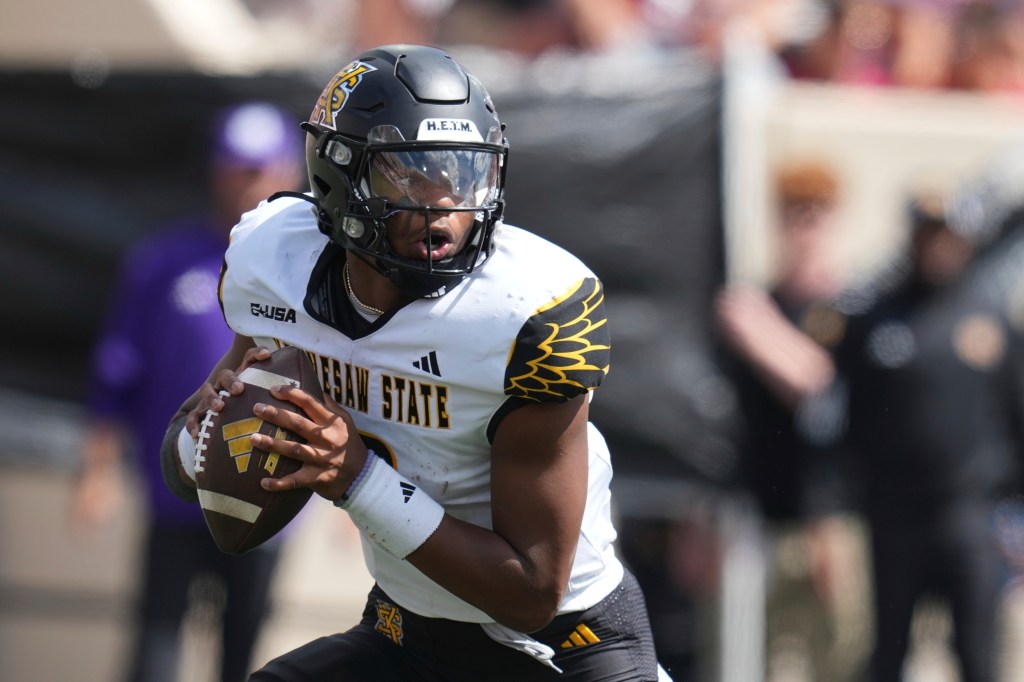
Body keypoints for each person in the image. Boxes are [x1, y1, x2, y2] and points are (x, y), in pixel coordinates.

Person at [159, 44, 668, 681]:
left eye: (464, 174)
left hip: (562, 648)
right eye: (411, 175)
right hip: (406, 633)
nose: (446, 204)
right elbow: (184, 463)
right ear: (340, 175)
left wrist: (354, 477)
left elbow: (532, 590)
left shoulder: (523, 312)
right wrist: (208, 437)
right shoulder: (274, 264)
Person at [72, 101, 304, 682]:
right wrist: (98, 469)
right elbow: (117, 371)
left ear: (288, 172)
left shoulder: (308, 273)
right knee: (156, 639)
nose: (246, 183)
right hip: (177, 486)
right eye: (235, 168)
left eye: (259, 168)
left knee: (243, 650)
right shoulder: (163, 263)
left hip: (265, 490)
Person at [800, 161, 1024, 681]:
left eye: (947, 236)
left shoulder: (989, 318)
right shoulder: (872, 320)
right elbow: (833, 421)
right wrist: (828, 509)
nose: (938, 248)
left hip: (971, 519)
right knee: (887, 655)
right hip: (893, 517)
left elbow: (1017, 420)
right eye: (928, 235)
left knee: (978, 656)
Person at [714, 159, 871, 682]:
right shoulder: (763, 304)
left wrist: (758, 331)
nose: (806, 224)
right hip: (760, 517)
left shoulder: (854, 307)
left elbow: (824, 389)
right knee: (752, 660)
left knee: (839, 660)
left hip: (833, 517)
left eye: (816, 211)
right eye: (794, 210)